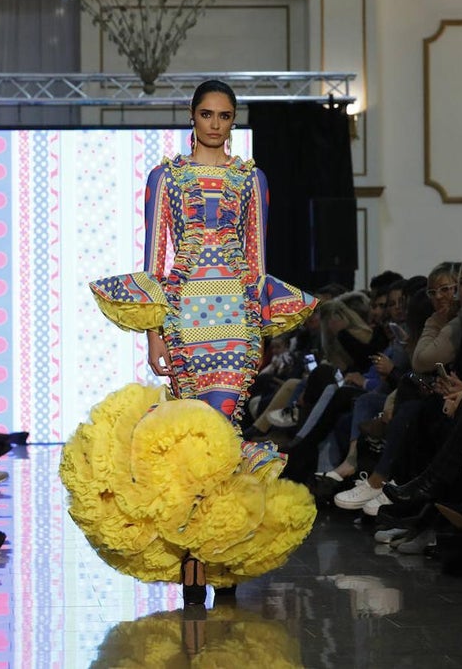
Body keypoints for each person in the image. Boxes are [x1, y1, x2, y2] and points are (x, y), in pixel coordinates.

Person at [84, 80, 317, 605]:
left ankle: (222, 559)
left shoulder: (251, 179)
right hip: (187, 316)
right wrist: (153, 336)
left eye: (225, 116)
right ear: (192, 117)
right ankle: (196, 562)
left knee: (226, 430)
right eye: (208, 114)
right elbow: (153, 262)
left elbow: (257, 261)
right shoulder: (164, 179)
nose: (215, 124)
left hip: (235, 316)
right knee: (196, 439)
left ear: (234, 121)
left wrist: (260, 329)